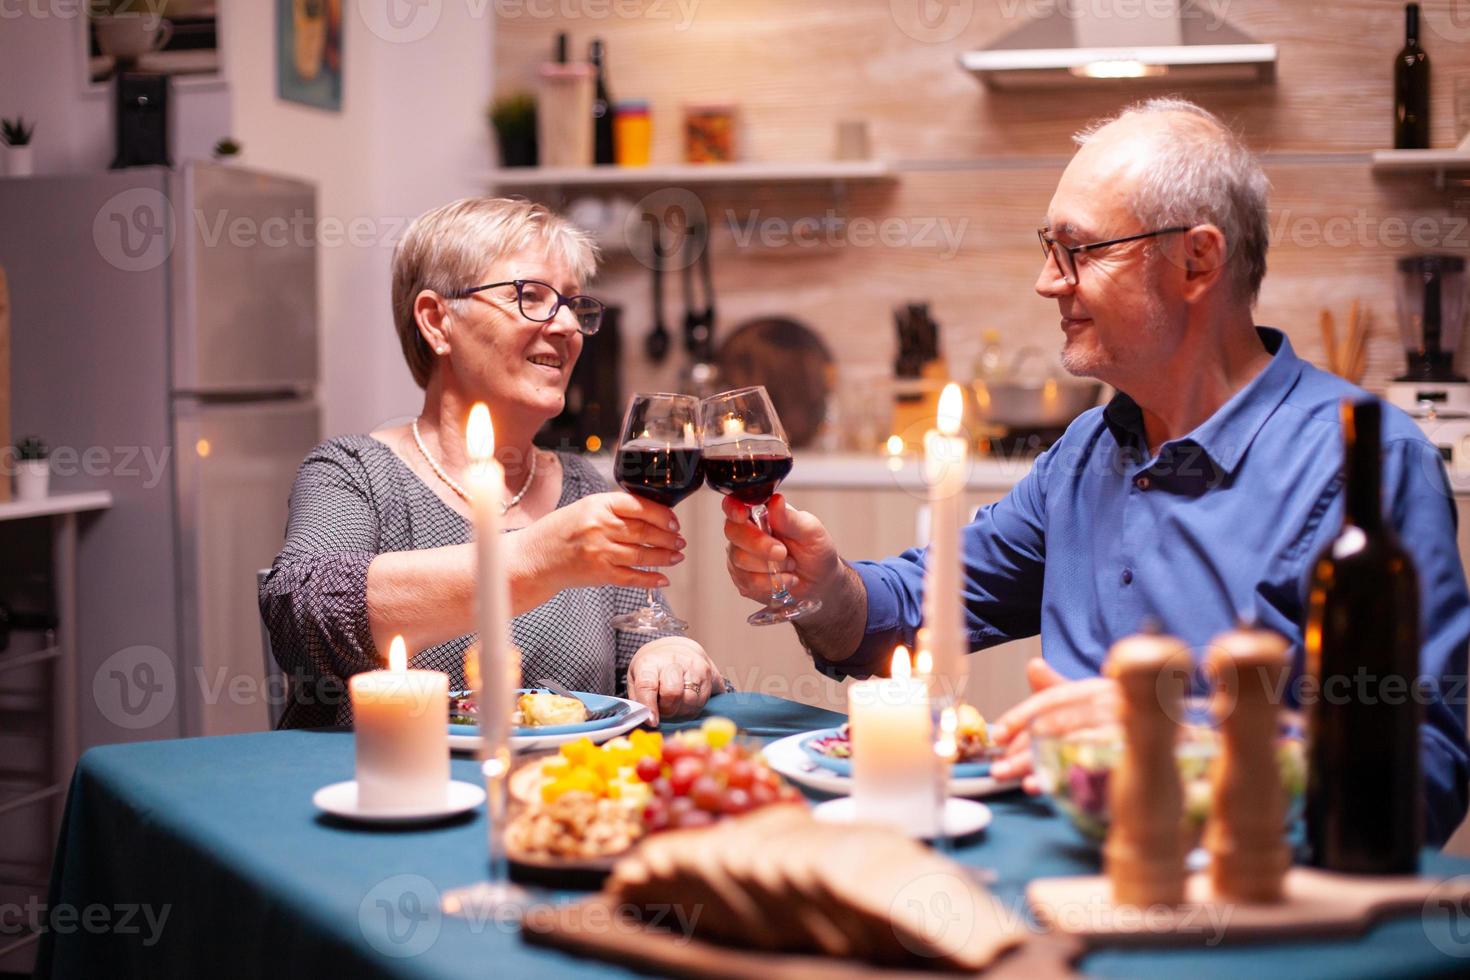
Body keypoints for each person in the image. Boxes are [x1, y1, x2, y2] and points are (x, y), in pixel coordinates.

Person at [721, 98, 1470, 844]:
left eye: (1078, 250)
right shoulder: (1089, 450)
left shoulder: (1366, 466)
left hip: (1244, 899)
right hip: (1054, 852)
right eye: (1049, 247)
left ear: (1196, 260)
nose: (1049, 282)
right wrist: (822, 588)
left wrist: (1181, 739)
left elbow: (1424, 776)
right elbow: (925, 602)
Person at [260, 197, 723, 728]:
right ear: (436, 321)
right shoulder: (354, 471)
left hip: (550, 799)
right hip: (391, 800)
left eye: (573, 304)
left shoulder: (581, 487)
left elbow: (647, 640)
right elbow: (302, 617)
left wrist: (670, 658)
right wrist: (532, 559)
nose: (568, 326)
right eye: (530, 296)